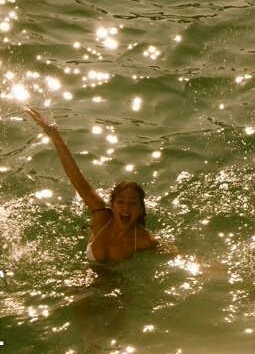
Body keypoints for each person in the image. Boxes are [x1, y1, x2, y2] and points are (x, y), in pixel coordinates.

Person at [25, 107, 159, 264]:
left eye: (133, 203)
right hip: (87, 272)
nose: (126, 208)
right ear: (112, 206)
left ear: (141, 210)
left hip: (117, 278)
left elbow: (172, 253)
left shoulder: (143, 240)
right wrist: (53, 134)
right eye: (121, 201)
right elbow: (76, 177)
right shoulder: (101, 216)